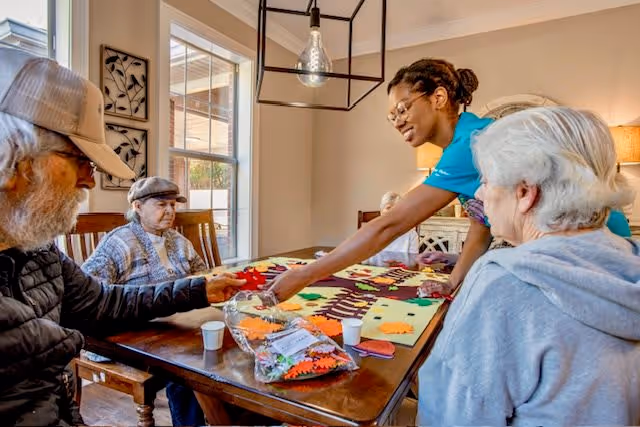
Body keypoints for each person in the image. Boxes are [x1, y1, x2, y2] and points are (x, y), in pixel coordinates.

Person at [0, 47, 245, 426]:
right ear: (12, 160)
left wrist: (198, 290)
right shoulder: (118, 242)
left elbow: (105, 304)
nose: (90, 179)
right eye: (79, 159)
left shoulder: (40, 253)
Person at [270, 58, 632, 301]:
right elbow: (481, 228)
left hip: (588, 247)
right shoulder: (471, 142)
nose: (396, 120)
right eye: (391, 115)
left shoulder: (467, 144)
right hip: (596, 247)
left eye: (403, 107)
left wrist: (305, 275)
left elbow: (389, 225)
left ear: (439, 97)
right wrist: (452, 282)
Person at [418, 106, 640, 425]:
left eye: (485, 181)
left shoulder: (502, 282)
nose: (479, 193)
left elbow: (450, 416)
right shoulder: (631, 258)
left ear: (524, 193)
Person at [82, 176, 212, 427]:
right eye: (162, 204)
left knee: (211, 349)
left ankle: (220, 415)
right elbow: (90, 293)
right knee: (188, 367)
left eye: (174, 205)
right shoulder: (119, 242)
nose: (170, 211)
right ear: (137, 207)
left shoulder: (178, 241)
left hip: (172, 329)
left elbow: (202, 275)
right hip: (130, 336)